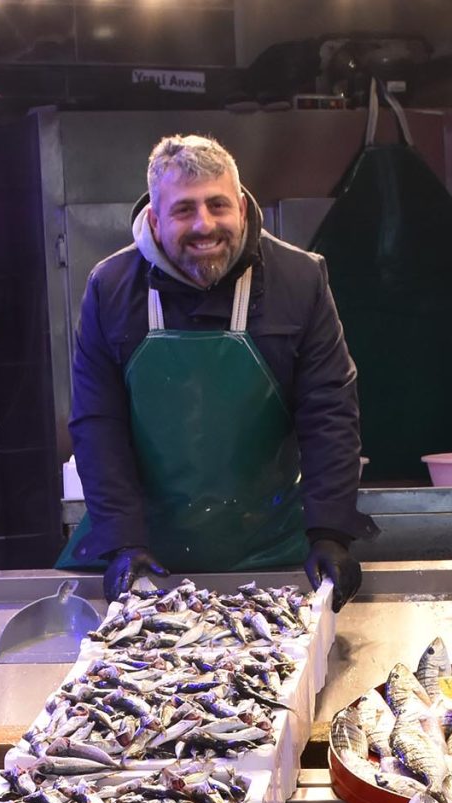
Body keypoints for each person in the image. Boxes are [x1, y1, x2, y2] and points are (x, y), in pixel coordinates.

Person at [63, 134, 373, 605]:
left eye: (218, 205)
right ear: (155, 218)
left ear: (242, 210)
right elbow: (97, 424)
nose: (205, 224)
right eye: (184, 209)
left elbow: (328, 410)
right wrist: (122, 540)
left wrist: (331, 529)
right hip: (144, 551)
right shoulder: (110, 288)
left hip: (273, 548)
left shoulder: (301, 279)